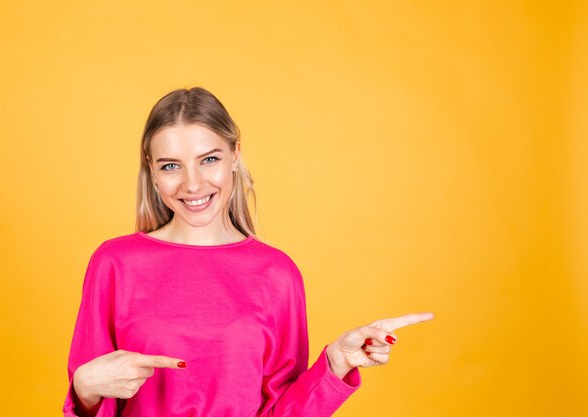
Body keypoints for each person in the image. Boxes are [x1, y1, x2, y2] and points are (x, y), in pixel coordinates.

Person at [62, 86, 434, 417]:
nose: (193, 184)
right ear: (152, 171)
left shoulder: (276, 272)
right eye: (171, 166)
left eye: (209, 159)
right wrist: (84, 388)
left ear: (235, 155)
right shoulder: (115, 263)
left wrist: (334, 366)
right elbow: (91, 402)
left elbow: (280, 410)